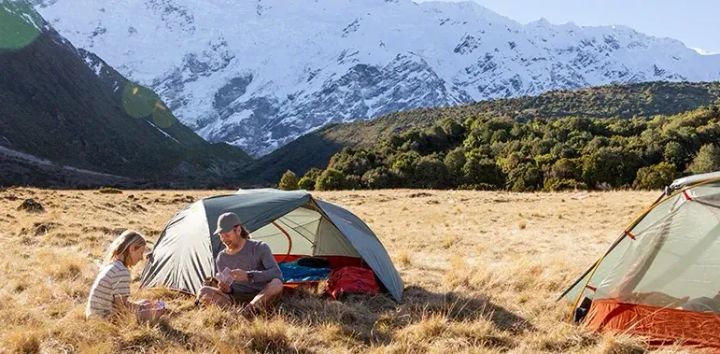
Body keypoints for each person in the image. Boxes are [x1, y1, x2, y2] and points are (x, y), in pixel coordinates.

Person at [198, 212, 284, 317]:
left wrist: (248, 275)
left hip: (262, 294)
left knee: (277, 284)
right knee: (204, 291)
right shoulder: (221, 258)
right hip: (236, 298)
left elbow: (276, 273)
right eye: (221, 235)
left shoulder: (259, 247)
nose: (224, 239)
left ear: (238, 230)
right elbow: (230, 289)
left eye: (227, 234)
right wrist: (228, 289)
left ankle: (248, 310)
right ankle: (242, 313)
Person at [86, 230, 164, 320]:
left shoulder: (113, 265)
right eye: (140, 252)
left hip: (93, 316)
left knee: (146, 303)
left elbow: (119, 303)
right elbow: (122, 308)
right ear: (132, 249)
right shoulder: (121, 271)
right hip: (104, 319)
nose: (141, 258)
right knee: (158, 312)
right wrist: (148, 311)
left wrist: (143, 307)